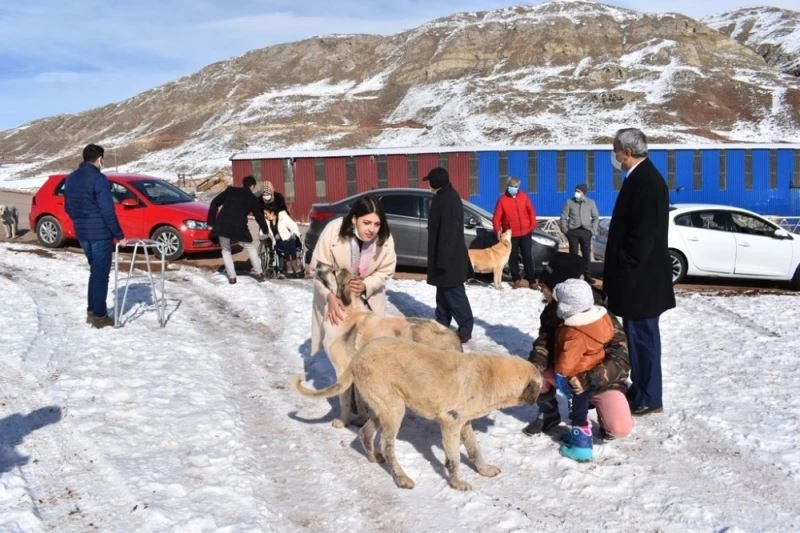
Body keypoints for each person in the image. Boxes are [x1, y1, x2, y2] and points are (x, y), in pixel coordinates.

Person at [524, 252, 633, 441]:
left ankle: (602, 409)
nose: (542, 290)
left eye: (545, 286)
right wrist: (535, 366)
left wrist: (588, 380)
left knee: (620, 428)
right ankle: (548, 413)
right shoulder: (552, 311)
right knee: (533, 375)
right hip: (565, 374)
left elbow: (621, 358)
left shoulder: (600, 314)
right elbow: (544, 343)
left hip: (599, 381)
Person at [605, 128, 676, 416]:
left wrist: (624, 260)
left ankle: (650, 395)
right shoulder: (639, 178)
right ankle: (642, 387)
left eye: (616, 150)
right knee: (636, 338)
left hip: (641, 280)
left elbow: (642, 237)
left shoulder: (646, 181)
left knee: (644, 339)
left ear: (628, 152)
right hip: (637, 278)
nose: (615, 155)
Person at [309, 195, 397, 355]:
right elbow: (319, 268)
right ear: (355, 219)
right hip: (335, 300)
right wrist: (330, 296)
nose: (372, 229)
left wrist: (367, 284)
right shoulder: (333, 230)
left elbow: (386, 270)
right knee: (337, 351)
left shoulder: (385, 237)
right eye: (366, 223)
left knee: (369, 350)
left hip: (368, 303)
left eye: (377, 224)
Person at [552, 278, 615, 462]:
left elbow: (567, 362)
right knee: (580, 406)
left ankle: (582, 446)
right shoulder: (601, 318)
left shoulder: (575, 332)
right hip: (596, 371)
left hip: (579, 376)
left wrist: (560, 371)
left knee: (578, 411)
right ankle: (577, 436)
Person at [64, 144, 124, 329]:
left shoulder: (71, 178)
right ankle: (99, 315)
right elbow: (108, 210)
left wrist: (81, 221)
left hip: (82, 233)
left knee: (95, 272)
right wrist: (118, 234)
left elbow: (68, 207)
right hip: (100, 234)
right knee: (101, 275)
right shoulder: (99, 179)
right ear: (99, 159)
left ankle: (92, 310)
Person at [425, 167, 474, 344]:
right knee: (443, 292)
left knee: (454, 293)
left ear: (436, 183)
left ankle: (466, 327)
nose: (429, 185)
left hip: (449, 257)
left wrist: (443, 260)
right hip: (443, 256)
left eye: (430, 181)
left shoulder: (448, 199)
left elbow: (449, 232)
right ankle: (442, 323)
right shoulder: (443, 197)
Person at [207, 175, 271, 284]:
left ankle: (232, 277)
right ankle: (260, 273)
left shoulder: (230, 190)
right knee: (250, 247)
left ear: (242, 184)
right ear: (252, 186)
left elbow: (214, 202)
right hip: (239, 227)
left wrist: (211, 223)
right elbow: (258, 216)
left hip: (223, 225)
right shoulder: (252, 197)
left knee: (226, 250)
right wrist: (265, 229)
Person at [492, 176, 537, 289]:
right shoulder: (502, 200)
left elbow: (531, 211)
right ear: (508, 186)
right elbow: (496, 218)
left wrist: (532, 225)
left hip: (526, 232)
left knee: (527, 256)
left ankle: (532, 280)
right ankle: (516, 279)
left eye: (516, 186)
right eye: (512, 186)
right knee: (513, 257)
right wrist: (497, 230)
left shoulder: (524, 197)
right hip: (511, 234)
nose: (514, 188)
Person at [559, 183, 599, 283]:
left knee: (586, 254)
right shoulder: (569, 202)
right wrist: (565, 230)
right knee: (573, 255)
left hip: (586, 232)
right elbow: (563, 217)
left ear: (583, 193)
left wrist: (592, 231)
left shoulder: (590, 202)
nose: (576, 193)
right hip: (573, 232)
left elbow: (596, 217)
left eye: (578, 191)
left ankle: (588, 276)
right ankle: (574, 276)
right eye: (576, 191)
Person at [263, 201, 303, 278]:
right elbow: (263, 232)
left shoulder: (283, 217)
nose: (265, 215)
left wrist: (295, 234)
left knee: (289, 240)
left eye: (266, 213)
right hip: (278, 243)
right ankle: (289, 266)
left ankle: (293, 265)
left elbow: (293, 226)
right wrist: (272, 236)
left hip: (290, 240)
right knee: (286, 242)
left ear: (272, 213)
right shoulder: (266, 222)